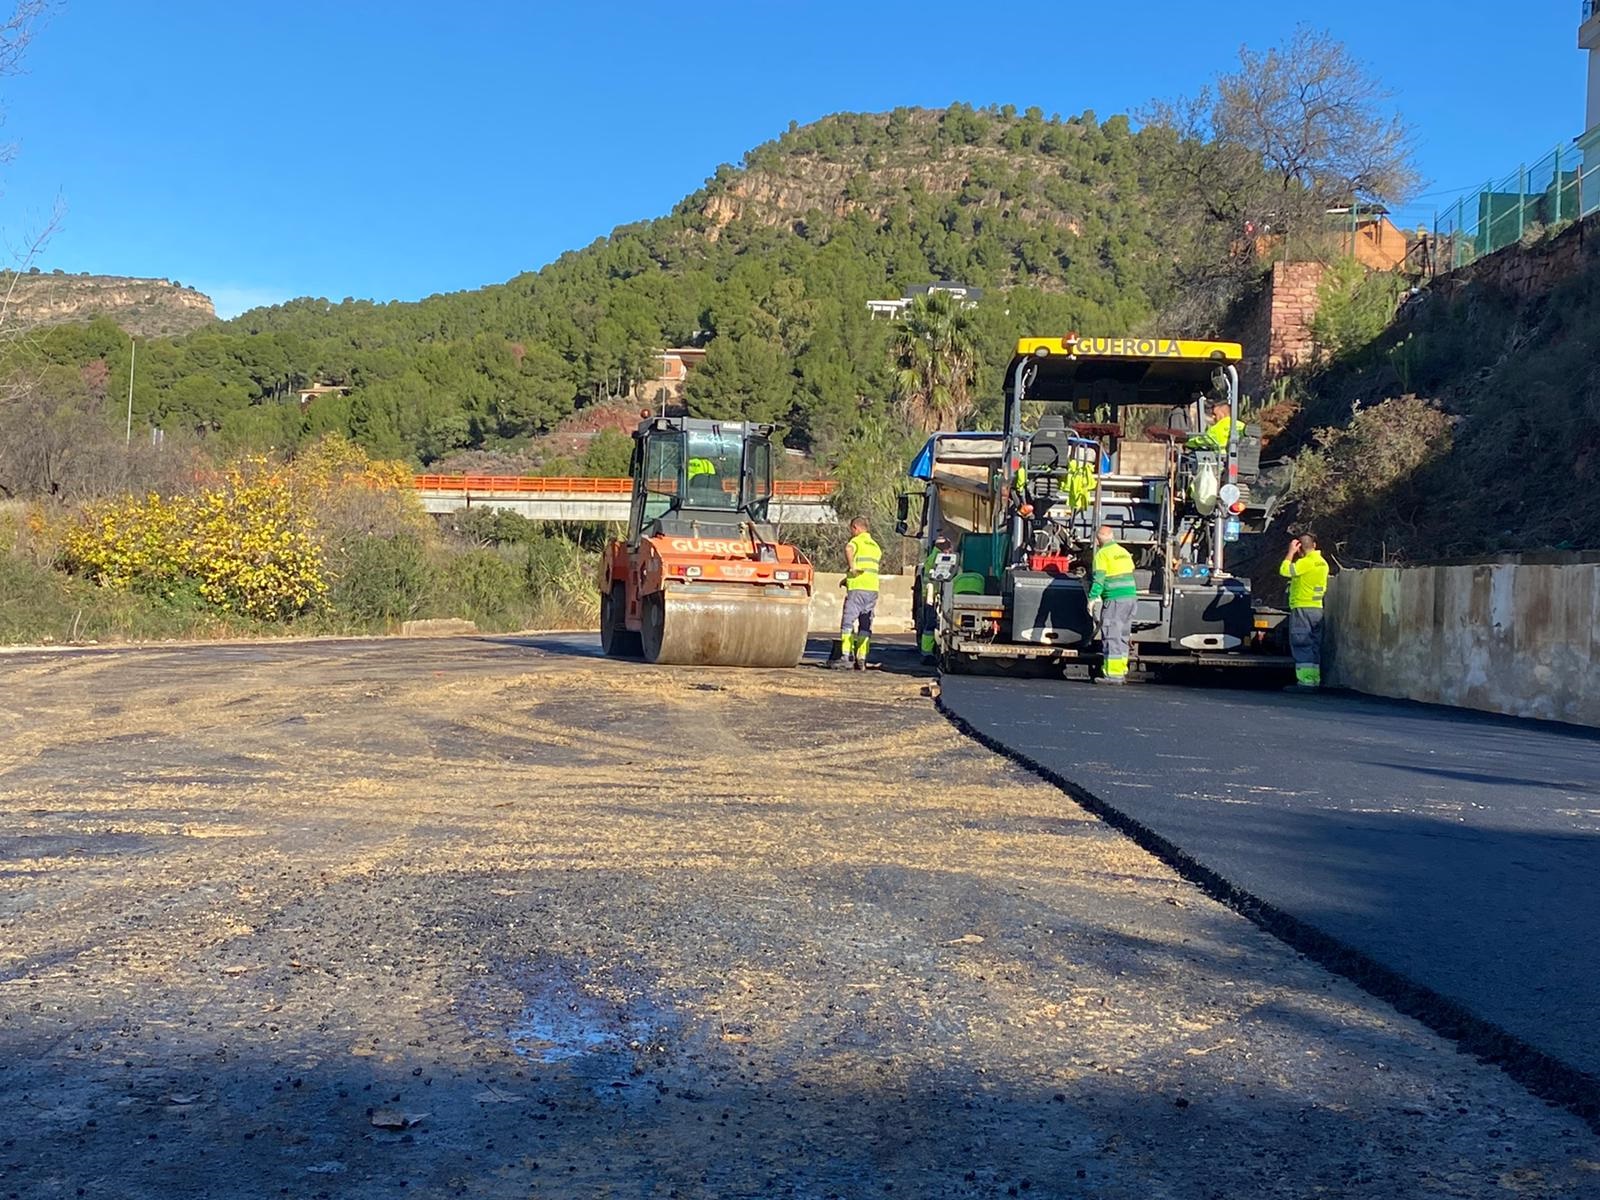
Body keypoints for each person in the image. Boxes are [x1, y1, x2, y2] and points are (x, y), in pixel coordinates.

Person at [1086, 525, 1137, 685]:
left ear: (1097, 540)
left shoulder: (1102, 554)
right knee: (1122, 636)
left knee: (1111, 635)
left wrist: (1093, 597)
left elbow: (1099, 579)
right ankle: (1121, 670)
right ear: (1112, 536)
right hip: (1130, 598)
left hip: (1115, 599)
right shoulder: (1123, 552)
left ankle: (1113, 676)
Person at [1280, 531, 1330, 689]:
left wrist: (1290, 553)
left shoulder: (1306, 563)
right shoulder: (1322, 562)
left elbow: (1285, 570)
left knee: (1302, 644)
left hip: (1303, 607)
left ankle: (1306, 682)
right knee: (1314, 645)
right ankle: (1314, 680)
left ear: (1299, 547)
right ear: (1315, 545)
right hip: (1317, 609)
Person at [835, 516, 882, 671]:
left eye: (851, 529)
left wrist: (851, 568)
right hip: (872, 589)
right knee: (865, 624)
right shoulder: (875, 546)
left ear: (856, 527)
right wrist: (846, 579)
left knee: (848, 622)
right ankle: (861, 658)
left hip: (857, 588)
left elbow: (848, 549)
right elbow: (867, 568)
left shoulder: (857, 541)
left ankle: (845, 656)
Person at [919, 534, 952, 664]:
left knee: (930, 624)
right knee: (931, 624)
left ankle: (928, 652)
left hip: (930, 595)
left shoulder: (932, 557)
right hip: (933, 596)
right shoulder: (940, 558)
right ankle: (927, 654)